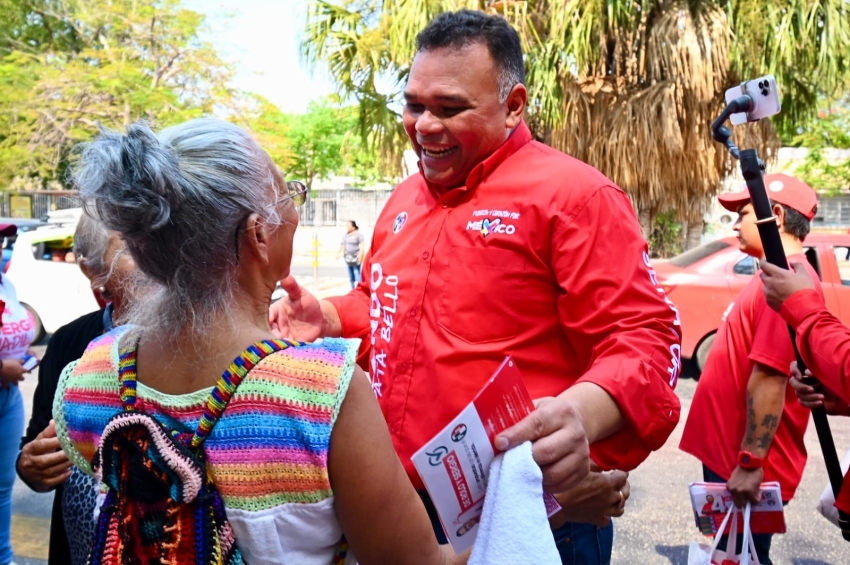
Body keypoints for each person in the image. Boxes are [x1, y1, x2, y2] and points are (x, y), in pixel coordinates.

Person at [270, 10, 681, 563]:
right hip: (404, 505)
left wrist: (578, 414)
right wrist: (330, 315)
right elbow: (385, 308)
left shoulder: (576, 197)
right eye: (414, 105)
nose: (424, 126)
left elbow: (646, 340)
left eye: (450, 108)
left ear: (514, 106)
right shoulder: (402, 201)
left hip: (531, 509)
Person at [54, 118, 470, 565]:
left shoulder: (90, 377)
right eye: (288, 193)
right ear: (258, 234)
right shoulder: (322, 395)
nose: (295, 207)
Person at [679, 173, 822, 565]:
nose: (735, 224)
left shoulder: (787, 282)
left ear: (774, 216)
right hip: (733, 456)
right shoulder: (777, 276)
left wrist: (749, 463)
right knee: (736, 555)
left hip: (745, 465)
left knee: (745, 557)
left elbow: (771, 378)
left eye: (742, 214)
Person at [16, 213, 136, 565]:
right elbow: (37, 445)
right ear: (94, 271)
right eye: (132, 245)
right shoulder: (70, 343)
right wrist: (32, 465)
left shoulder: (199, 343)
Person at [0, 223, 40, 565]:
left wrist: (25, 357)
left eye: (1, 239)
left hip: (8, 398)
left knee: (1, 487)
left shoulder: (7, 285)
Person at [337, 220, 365, 288]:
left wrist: (361, 254)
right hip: (347, 257)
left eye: (348, 225)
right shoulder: (346, 235)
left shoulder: (358, 235)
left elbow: (362, 245)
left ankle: (360, 288)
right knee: (350, 274)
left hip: (356, 257)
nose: (347, 227)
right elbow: (342, 245)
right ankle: (352, 288)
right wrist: (338, 253)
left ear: (353, 227)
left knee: (356, 273)